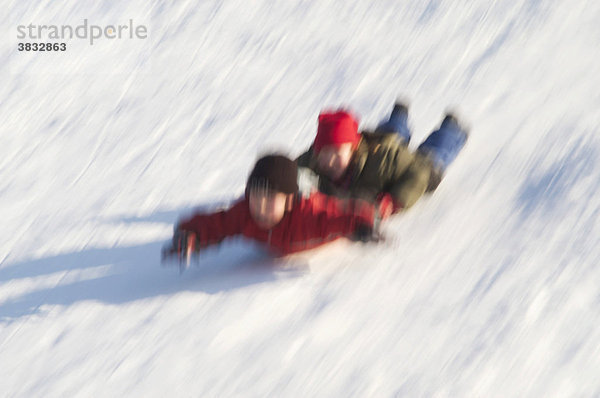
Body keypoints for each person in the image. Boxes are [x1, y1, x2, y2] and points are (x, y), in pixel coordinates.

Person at [163, 154, 392, 263]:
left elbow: (340, 213)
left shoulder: (309, 215)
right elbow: (218, 223)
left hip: (327, 194)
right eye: (255, 197)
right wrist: (191, 234)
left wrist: (364, 223)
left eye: (270, 199)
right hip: (302, 185)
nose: (260, 207)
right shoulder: (245, 213)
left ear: (289, 200)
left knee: (368, 193)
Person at [295, 102, 468, 213]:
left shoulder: (383, 159)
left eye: (337, 154)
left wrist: (394, 200)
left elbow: (418, 173)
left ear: (353, 150)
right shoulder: (314, 159)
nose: (329, 161)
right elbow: (290, 168)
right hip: (385, 145)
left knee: (432, 156)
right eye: (323, 154)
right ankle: (399, 115)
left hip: (413, 170)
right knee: (390, 133)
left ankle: (451, 128)